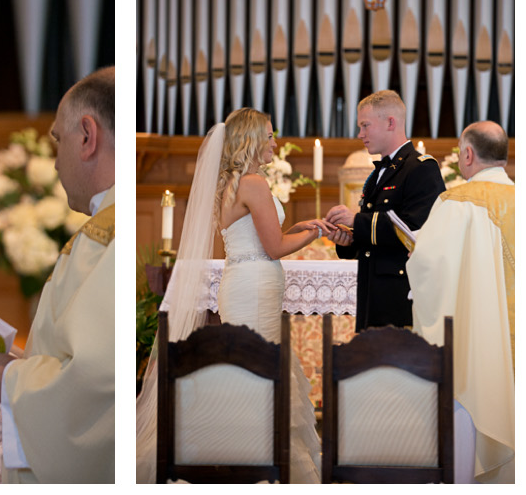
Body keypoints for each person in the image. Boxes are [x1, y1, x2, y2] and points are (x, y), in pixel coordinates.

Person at [136, 108, 333, 483]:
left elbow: (259, 236)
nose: (275, 142)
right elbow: (273, 248)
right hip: (257, 284)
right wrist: (317, 231)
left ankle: (234, 454)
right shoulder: (254, 183)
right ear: (253, 140)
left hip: (239, 279)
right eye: (270, 136)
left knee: (241, 369)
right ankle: (259, 459)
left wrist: (300, 226)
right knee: (260, 370)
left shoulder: (229, 182)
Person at [0, 67, 115, 483]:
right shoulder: (106, 229)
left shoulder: (112, 237)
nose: (55, 162)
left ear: (88, 136)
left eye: (59, 140)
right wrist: (20, 364)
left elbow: (99, 376)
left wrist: (9, 377)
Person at [408, 120, 514, 484]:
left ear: (468, 154)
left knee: (472, 402)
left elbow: (429, 266)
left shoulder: (455, 202)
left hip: (477, 347)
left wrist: (412, 254)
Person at [325, 90, 444, 330]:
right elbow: (374, 237)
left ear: (390, 122)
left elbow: (414, 229)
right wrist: (349, 240)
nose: (360, 134)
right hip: (373, 292)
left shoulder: (421, 168)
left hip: (400, 293)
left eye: (365, 125)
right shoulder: (378, 173)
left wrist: (356, 221)